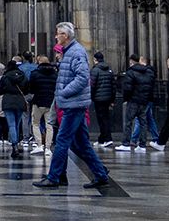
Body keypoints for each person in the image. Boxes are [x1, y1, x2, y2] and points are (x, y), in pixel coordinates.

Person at [33, 22, 114, 190]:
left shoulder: (76, 52)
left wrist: (64, 92)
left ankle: (54, 177)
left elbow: (83, 77)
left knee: (62, 141)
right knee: (81, 144)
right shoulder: (69, 52)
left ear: (66, 36)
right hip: (72, 103)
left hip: (73, 104)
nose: (56, 36)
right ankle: (100, 175)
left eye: (58, 34)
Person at [118, 55, 159, 151]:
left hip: (133, 101)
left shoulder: (131, 72)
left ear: (131, 62)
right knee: (143, 123)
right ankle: (142, 145)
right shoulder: (148, 72)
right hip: (144, 101)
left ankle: (126, 144)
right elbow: (150, 86)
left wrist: (126, 99)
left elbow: (127, 88)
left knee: (128, 122)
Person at [0, 57, 29, 154]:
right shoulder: (22, 76)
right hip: (20, 101)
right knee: (17, 124)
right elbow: (27, 90)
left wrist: (7, 90)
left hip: (8, 101)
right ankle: (16, 143)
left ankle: (14, 145)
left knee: (11, 124)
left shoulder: (5, 77)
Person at [28, 54, 57, 155]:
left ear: (39, 62)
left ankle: (39, 145)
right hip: (50, 102)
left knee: (35, 123)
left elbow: (31, 89)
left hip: (38, 101)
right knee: (49, 125)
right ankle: (48, 148)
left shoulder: (35, 73)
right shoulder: (55, 74)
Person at [89, 51, 118, 148]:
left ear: (95, 59)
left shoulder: (95, 70)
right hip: (108, 98)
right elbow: (113, 86)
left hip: (99, 99)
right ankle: (102, 139)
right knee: (105, 119)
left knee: (102, 120)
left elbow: (92, 85)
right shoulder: (109, 70)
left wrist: (91, 97)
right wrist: (112, 100)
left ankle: (107, 139)